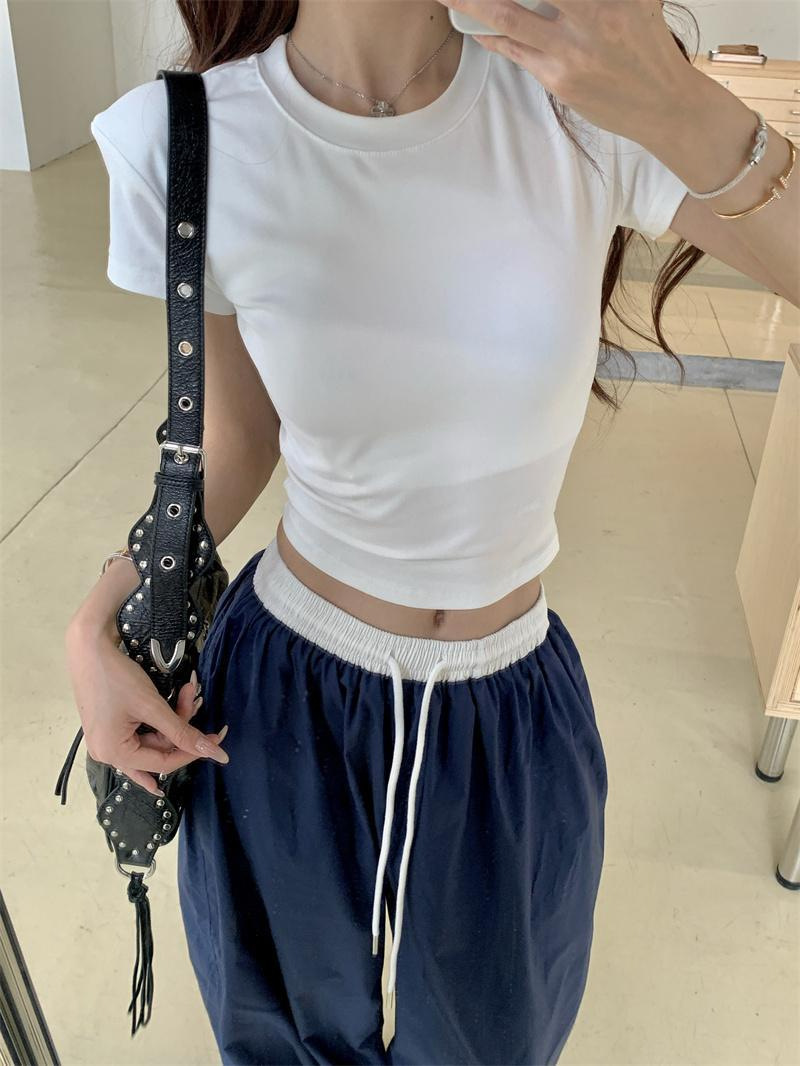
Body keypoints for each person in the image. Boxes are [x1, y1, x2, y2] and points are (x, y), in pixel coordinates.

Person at [66, 1, 704, 1062]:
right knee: (279, 1038)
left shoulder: (581, 99)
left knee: (498, 1037)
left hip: (510, 713)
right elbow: (239, 435)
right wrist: (97, 620)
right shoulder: (184, 136)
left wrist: (679, 103)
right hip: (282, 705)